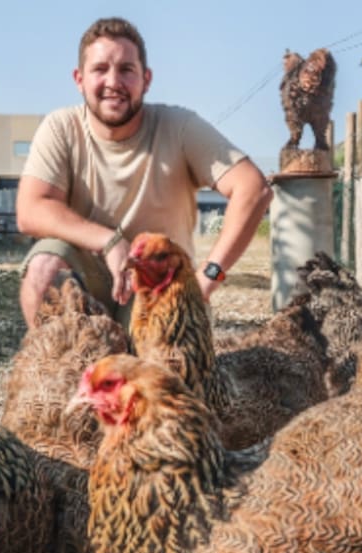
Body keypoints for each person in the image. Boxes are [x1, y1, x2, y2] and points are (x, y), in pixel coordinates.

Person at [16, 17, 273, 329]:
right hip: (89, 278)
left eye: (126, 69)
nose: (113, 82)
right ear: (79, 79)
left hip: (155, 285)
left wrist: (208, 277)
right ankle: (60, 372)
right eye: (100, 69)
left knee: (165, 354)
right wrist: (110, 242)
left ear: (146, 79)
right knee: (43, 268)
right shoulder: (61, 127)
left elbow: (253, 188)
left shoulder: (179, 127)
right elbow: (31, 209)